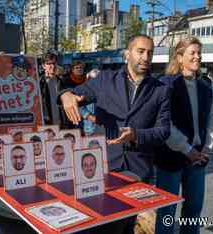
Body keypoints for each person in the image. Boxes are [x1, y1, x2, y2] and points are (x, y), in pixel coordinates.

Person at [59, 34, 170, 234]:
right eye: (140, 51)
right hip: (105, 167)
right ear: (127, 54)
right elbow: (75, 92)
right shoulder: (104, 79)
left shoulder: (160, 90)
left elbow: (163, 131)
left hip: (138, 170)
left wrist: (136, 134)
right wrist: (66, 95)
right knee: (103, 226)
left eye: (150, 52)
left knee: (130, 227)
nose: (145, 57)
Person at [154, 37, 213, 234]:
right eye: (193, 53)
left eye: (199, 53)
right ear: (180, 57)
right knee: (167, 212)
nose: (197, 57)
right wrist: (186, 148)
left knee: (193, 210)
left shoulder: (206, 87)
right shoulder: (166, 84)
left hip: (198, 158)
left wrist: (207, 147)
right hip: (171, 157)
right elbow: (164, 123)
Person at [39, 52, 68, 127]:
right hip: (45, 123)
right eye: (49, 64)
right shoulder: (38, 83)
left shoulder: (62, 81)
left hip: (61, 123)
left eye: (54, 63)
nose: (53, 66)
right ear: (43, 66)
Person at [79, 69, 100, 136]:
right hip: (90, 129)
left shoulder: (104, 91)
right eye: (93, 79)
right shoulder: (84, 91)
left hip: (103, 128)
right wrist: (90, 116)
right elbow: (80, 107)